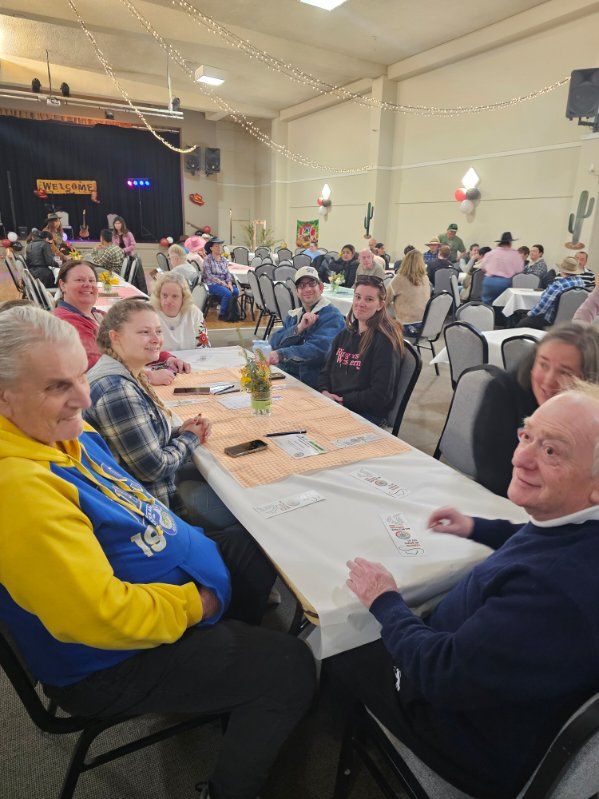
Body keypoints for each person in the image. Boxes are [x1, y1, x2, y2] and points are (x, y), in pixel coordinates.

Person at [0, 306, 315, 799]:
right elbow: (100, 617)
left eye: (80, 375)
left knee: (251, 541)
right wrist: (196, 605)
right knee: (291, 665)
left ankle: (230, 679)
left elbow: (136, 502)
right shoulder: (17, 491)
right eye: (57, 386)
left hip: (155, 599)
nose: (83, 397)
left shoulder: (64, 432)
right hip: (108, 663)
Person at [328, 383, 599, 799]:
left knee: (344, 643)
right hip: (486, 676)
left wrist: (384, 599)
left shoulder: (553, 592)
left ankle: (336, 746)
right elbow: (539, 536)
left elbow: (440, 673)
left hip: (464, 732)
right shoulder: (580, 526)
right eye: (527, 434)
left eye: (551, 451)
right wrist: (476, 527)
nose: (520, 458)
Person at [85, 299, 231, 529]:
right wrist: (190, 437)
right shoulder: (117, 390)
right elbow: (154, 468)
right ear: (115, 337)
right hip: (150, 512)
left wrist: (179, 431)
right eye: (144, 332)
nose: (156, 339)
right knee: (238, 508)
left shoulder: (122, 371)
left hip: (139, 493)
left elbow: (141, 439)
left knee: (220, 473)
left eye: (158, 331)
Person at [472, 322, 599, 496]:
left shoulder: (592, 416)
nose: (548, 380)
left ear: (588, 380)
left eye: (565, 372)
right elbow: (493, 476)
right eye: (543, 365)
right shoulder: (503, 393)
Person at [53, 260, 187, 382]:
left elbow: (133, 343)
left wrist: (167, 358)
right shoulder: (66, 322)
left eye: (92, 280)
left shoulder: (97, 314)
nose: (88, 285)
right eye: (79, 280)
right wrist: (149, 377)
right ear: (62, 285)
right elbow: (96, 367)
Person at [318, 274, 403, 425]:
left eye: (369, 299)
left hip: (364, 413)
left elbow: (380, 395)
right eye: (357, 297)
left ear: (380, 305)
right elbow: (326, 371)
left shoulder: (385, 342)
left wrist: (343, 400)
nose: (360, 303)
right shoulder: (344, 335)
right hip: (336, 404)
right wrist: (324, 391)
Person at [268, 265, 345, 388]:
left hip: (313, 382)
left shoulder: (332, 316)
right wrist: (299, 328)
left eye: (312, 284)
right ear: (297, 292)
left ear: (321, 287)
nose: (307, 289)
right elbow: (274, 341)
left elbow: (320, 349)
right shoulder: (296, 315)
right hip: (287, 375)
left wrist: (282, 354)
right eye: (302, 285)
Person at [517, 255, 585, 329]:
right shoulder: (581, 283)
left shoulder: (557, 285)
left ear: (562, 270)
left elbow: (542, 308)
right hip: (572, 321)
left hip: (551, 321)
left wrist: (529, 314)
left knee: (520, 322)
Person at [150, 271, 210, 351]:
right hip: (158, 359)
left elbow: (204, 346)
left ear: (183, 297)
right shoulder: (149, 313)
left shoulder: (194, 313)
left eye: (174, 296)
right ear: (158, 295)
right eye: (164, 295)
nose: (168, 301)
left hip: (190, 358)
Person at [386, 249, 430, 336]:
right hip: (424, 325)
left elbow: (385, 299)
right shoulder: (425, 278)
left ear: (405, 261)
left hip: (406, 326)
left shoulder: (399, 279)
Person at [480, 231, 524, 305]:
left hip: (489, 281)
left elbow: (483, 268)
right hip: (504, 283)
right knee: (502, 306)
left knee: (486, 305)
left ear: (500, 243)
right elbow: (519, 269)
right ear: (510, 243)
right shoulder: (514, 254)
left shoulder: (491, 253)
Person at [202, 237, 239, 321]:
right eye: (216, 246)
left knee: (235, 291)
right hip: (211, 284)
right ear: (211, 248)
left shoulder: (223, 259)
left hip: (224, 283)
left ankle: (231, 313)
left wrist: (229, 283)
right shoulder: (207, 259)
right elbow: (209, 276)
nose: (219, 247)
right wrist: (223, 284)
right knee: (227, 293)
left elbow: (227, 273)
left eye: (219, 245)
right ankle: (222, 314)